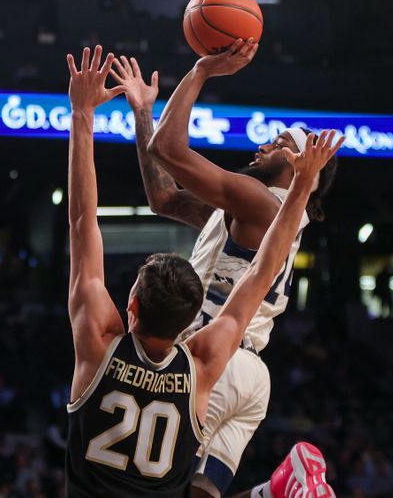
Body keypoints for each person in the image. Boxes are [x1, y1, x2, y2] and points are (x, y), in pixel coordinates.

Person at [63, 45, 341, 498]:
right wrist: (142, 113)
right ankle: (275, 491)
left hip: (208, 358)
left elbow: (167, 149)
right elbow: (164, 198)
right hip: (242, 368)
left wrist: (201, 70)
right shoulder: (261, 216)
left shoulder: (258, 200)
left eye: (280, 143)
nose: (264, 144)